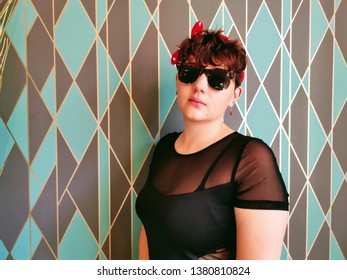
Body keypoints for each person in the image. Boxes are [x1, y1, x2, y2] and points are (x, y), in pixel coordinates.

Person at [135, 21, 289, 260]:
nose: (199, 86)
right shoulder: (164, 148)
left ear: (234, 95)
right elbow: (150, 231)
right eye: (189, 73)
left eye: (216, 79)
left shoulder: (251, 160)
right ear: (178, 82)